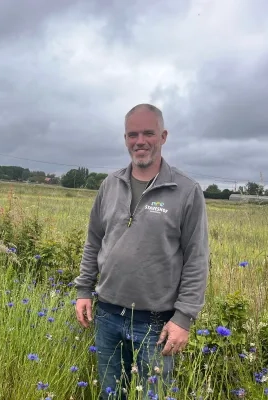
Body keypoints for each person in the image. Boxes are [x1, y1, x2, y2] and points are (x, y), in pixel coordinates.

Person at [74, 103, 209, 399]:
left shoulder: (185, 191)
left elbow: (197, 259)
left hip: (157, 324)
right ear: (125, 139)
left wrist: (184, 317)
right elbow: (94, 241)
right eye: (132, 134)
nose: (140, 141)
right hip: (107, 314)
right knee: (111, 394)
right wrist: (84, 289)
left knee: (153, 395)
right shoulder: (110, 185)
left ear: (163, 136)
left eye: (148, 133)